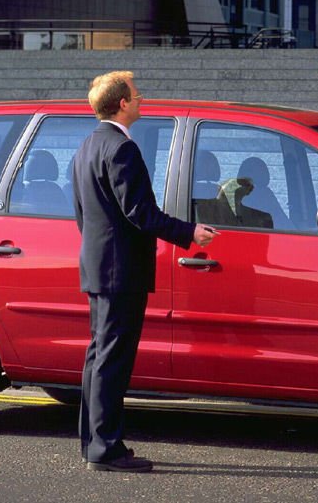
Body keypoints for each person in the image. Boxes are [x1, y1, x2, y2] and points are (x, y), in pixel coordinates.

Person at [72, 71, 218, 473]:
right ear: (122, 103)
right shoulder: (122, 150)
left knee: (98, 357)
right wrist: (190, 232)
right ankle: (107, 449)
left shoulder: (87, 146)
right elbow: (140, 213)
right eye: (136, 96)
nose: (141, 100)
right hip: (121, 272)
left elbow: (84, 214)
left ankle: (91, 442)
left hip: (100, 267)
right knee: (113, 360)